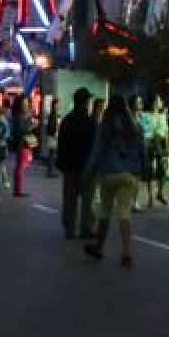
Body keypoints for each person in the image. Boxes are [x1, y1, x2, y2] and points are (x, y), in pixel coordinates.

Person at [83, 94, 146, 269]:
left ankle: (99, 247)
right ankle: (126, 253)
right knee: (124, 213)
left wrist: (88, 172)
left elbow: (96, 151)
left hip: (108, 173)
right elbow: (142, 152)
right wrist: (142, 172)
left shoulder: (105, 127)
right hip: (130, 174)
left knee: (105, 210)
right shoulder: (135, 127)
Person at [57, 87, 98, 240]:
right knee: (87, 199)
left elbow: (61, 143)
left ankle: (69, 228)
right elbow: (94, 145)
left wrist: (61, 162)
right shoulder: (90, 122)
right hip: (86, 166)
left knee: (69, 198)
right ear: (86, 102)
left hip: (70, 165)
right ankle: (86, 228)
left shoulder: (67, 120)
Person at [9, 95, 34, 198]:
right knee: (21, 166)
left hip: (22, 142)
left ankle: (17, 189)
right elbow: (21, 130)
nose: (26, 104)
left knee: (21, 166)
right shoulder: (19, 115)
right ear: (20, 104)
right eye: (24, 102)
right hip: (22, 143)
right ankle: (17, 190)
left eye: (27, 102)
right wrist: (30, 124)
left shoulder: (21, 114)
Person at [43, 97, 61, 178]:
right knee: (52, 154)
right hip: (53, 136)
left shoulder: (54, 114)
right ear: (55, 105)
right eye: (58, 104)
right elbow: (51, 126)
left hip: (53, 136)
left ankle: (50, 170)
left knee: (52, 154)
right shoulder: (53, 114)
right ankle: (50, 171)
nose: (60, 105)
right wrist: (55, 133)